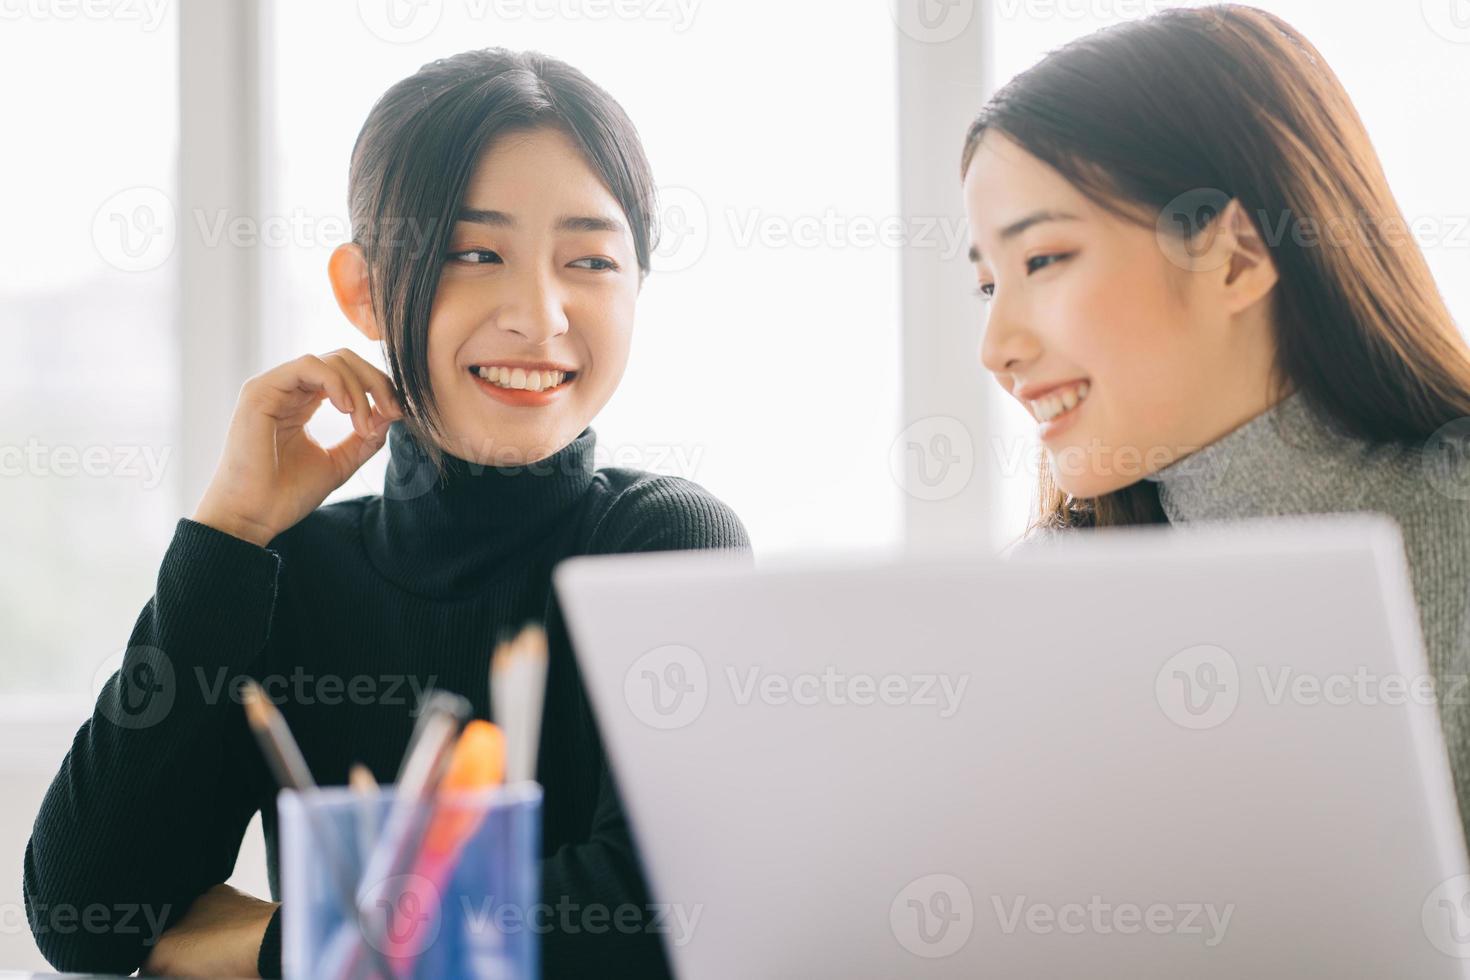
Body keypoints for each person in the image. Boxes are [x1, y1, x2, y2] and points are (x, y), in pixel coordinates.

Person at [24, 48, 747, 979]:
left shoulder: (666, 542)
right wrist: (231, 534)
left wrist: (281, 943)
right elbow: (87, 909)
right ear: (363, 289)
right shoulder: (294, 571)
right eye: (474, 253)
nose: (540, 313)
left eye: (592, 260)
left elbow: (655, 911)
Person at [960, 4, 1470, 829]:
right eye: (988, 285)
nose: (997, 346)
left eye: (1043, 260)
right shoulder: (1044, 591)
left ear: (1237, 257)